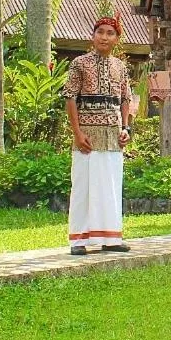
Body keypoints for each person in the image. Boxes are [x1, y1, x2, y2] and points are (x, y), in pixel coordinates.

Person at [64, 16, 132, 255]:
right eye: (100, 32)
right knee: (83, 186)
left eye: (110, 33)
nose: (104, 37)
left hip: (114, 136)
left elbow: (125, 100)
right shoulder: (79, 64)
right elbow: (70, 97)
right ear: (93, 35)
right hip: (87, 136)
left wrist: (126, 129)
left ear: (117, 38)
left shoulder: (121, 67)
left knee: (110, 186)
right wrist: (77, 132)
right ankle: (78, 240)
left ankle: (111, 238)